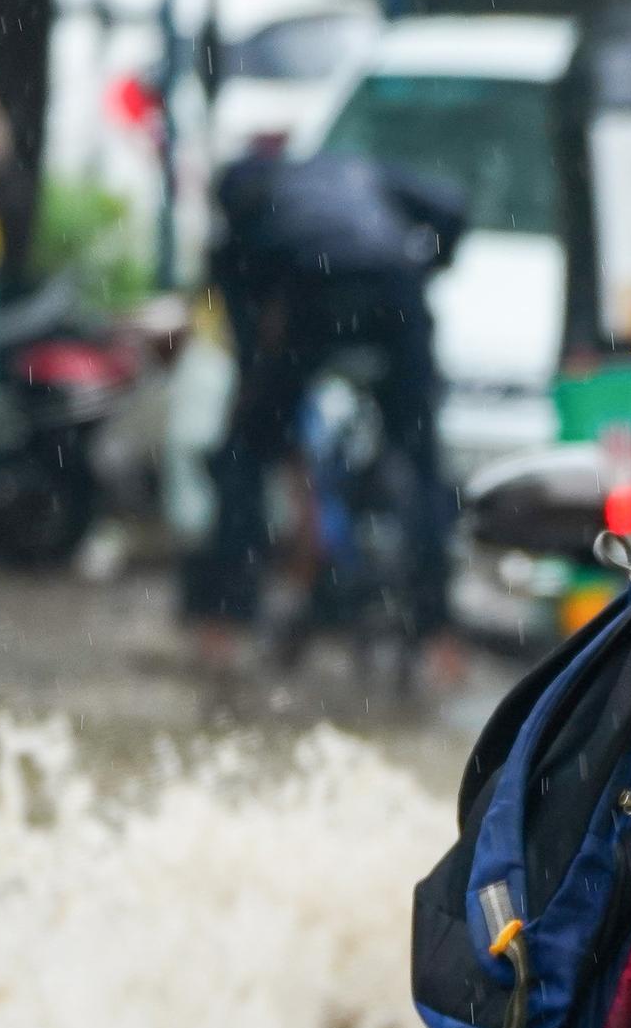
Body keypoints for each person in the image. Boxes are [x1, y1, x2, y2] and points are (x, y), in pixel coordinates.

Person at [183, 147, 467, 686]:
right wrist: (425, 266)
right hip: (394, 286)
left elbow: (250, 350)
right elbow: (452, 206)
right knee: (422, 457)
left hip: (312, 293)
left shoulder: (248, 222)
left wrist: (262, 415)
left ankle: (225, 622)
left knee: (242, 454)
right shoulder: (354, 168)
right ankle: (439, 635)